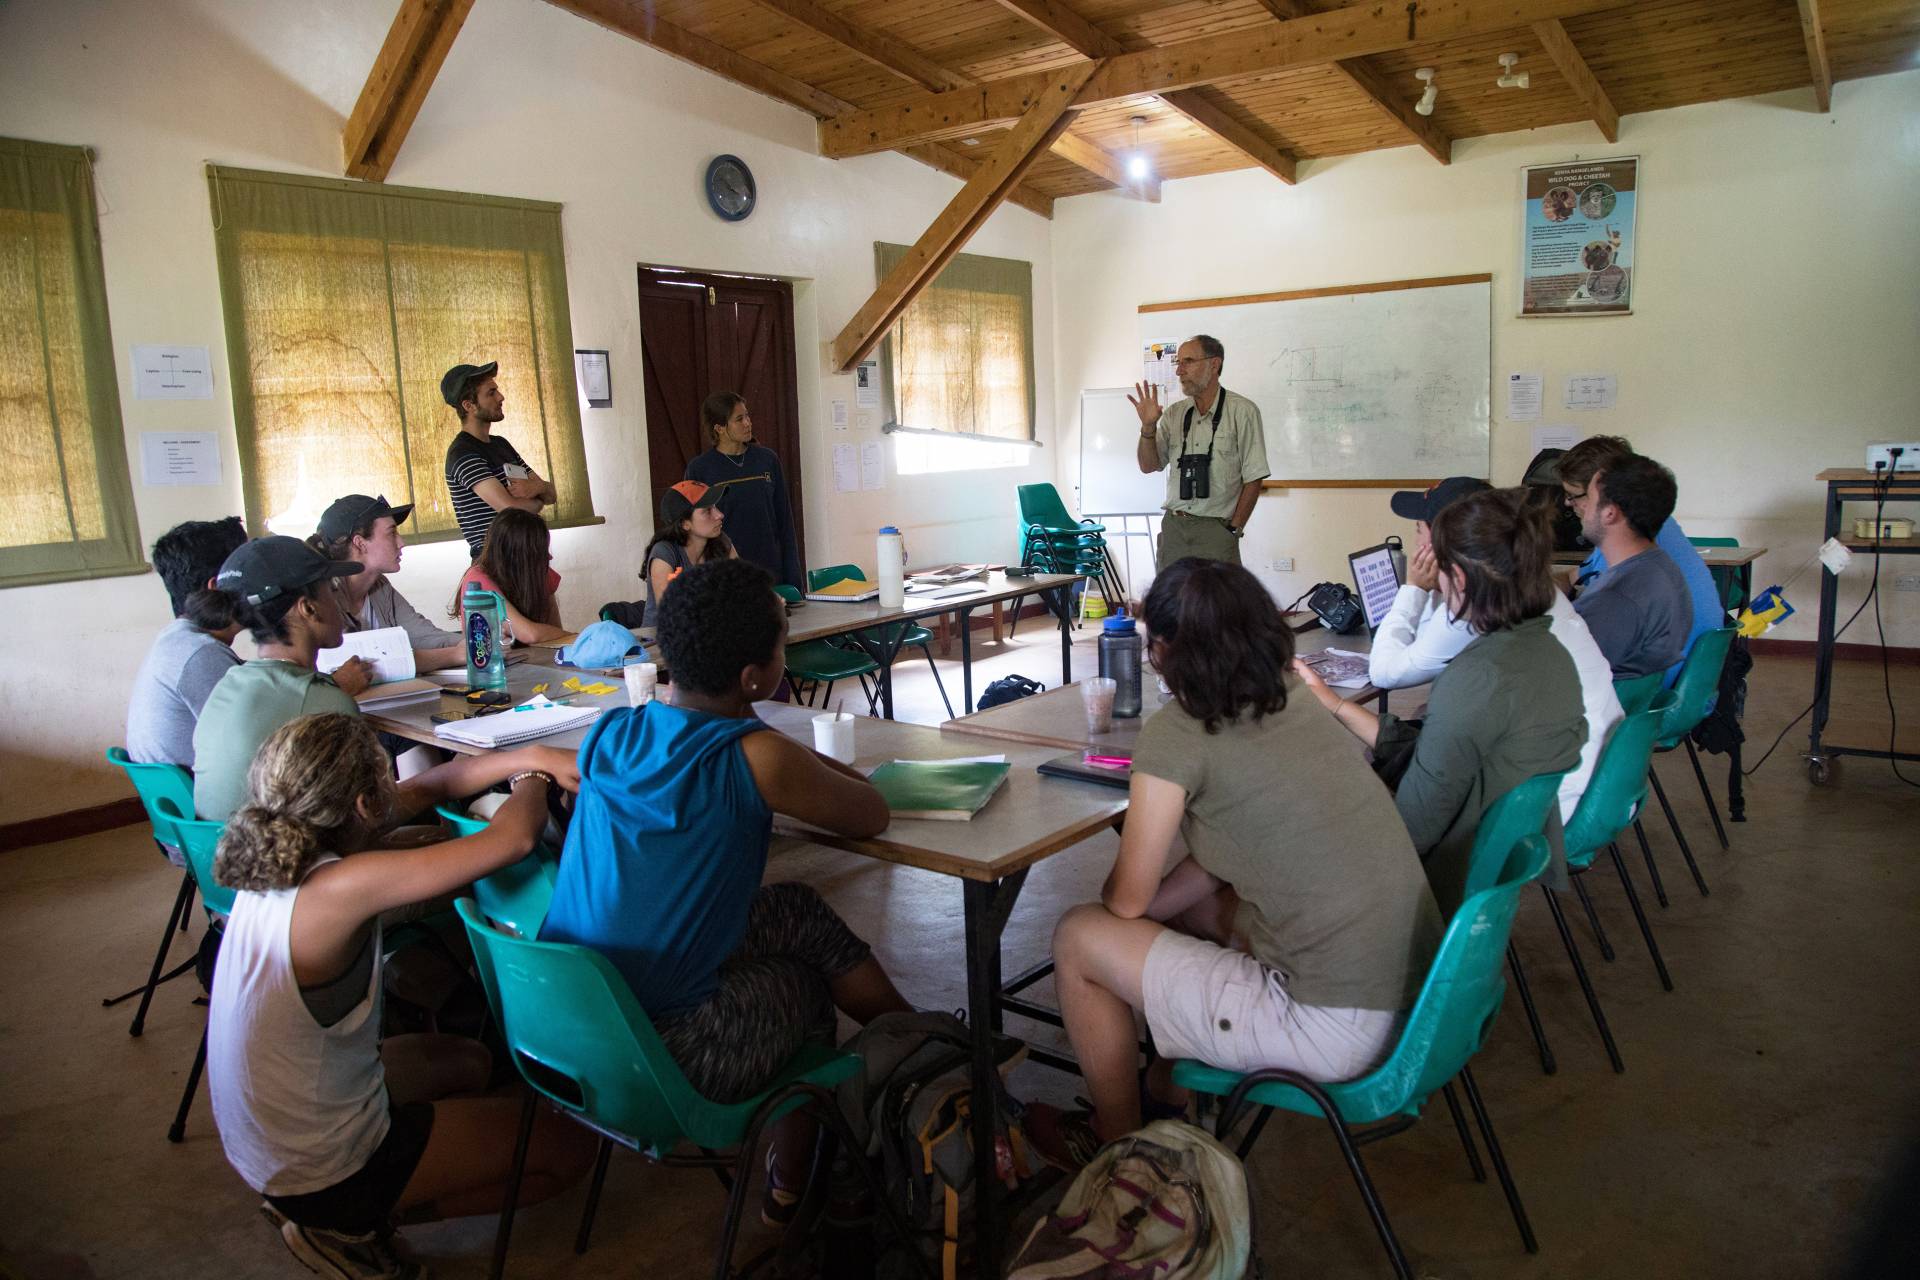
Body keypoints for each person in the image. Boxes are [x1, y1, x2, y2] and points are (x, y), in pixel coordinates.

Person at [1024, 558, 1444, 1169]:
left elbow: (1127, 902)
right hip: (1418, 996)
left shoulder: (1180, 734)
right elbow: (1230, 849)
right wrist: (1150, 914)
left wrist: (1123, 905)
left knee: (1080, 937)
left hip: (1334, 1029)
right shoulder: (1295, 697)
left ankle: (1121, 1162)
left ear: (1163, 652)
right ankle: (1166, 1095)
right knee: (1187, 909)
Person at [540, 557, 911, 1216]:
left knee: (795, 910)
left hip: (573, 1023)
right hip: (667, 1054)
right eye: (779, 645)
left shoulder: (615, 730)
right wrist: (763, 734)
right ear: (754, 677)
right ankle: (793, 1187)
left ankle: (915, 1038)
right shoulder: (755, 756)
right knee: (804, 993)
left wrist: (753, 727)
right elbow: (872, 812)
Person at [208, 713, 595, 1279]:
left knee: (468, 1061)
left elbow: (435, 785)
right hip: (318, 1168)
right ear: (365, 806)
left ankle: (338, 1207)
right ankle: (353, 1228)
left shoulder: (282, 853)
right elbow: (512, 840)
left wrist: (530, 752)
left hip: (269, 1142)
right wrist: (531, 779)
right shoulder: (339, 887)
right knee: (567, 1154)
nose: (396, 788)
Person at [1296, 489, 1587, 913]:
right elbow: (1442, 755)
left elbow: (1414, 826)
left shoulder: (1477, 677)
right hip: (1491, 864)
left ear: (1461, 580)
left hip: (1437, 880)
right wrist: (1334, 703)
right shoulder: (1547, 653)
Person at [1370, 479, 1622, 826]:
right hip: (1591, 782)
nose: (1415, 542)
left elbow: (1385, 673)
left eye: (1418, 530)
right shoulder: (1523, 589)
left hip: (1542, 811)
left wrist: (1414, 588)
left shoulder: (1478, 611)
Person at [193, 537, 372, 821]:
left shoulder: (229, 683)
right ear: (308, 609)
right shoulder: (323, 701)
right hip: (281, 861)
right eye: (330, 589)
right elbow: (365, 815)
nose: (338, 601)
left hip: (219, 857)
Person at [1554, 435, 1720, 685]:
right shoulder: (1642, 541)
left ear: (1609, 504)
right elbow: (1574, 577)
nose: (1570, 505)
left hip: (1651, 689)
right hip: (1669, 686)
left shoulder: (1625, 575)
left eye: (1576, 495)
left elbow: (1566, 670)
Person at [1129, 335, 1270, 568]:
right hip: (1174, 529)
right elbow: (1148, 466)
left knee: (1218, 603)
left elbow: (1254, 477)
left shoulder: (1242, 411)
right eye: (1178, 363)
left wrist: (1234, 529)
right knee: (1171, 602)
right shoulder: (1174, 414)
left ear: (1214, 365)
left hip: (1217, 531)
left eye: (1188, 362)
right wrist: (1148, 428)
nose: (1179, 372)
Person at [127, 516, 249, 772]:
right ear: (218, 587)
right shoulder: (200, 654)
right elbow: (261, 737)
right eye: (248, 573)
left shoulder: (177, 640)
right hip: (213, 803)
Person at [1565, 453, 1692, 679]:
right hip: (1631, 704)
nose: (1572, 504)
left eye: (1590, 500)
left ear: (1609, 513)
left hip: (1598, 708)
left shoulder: (1616, 599)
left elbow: (1560, 672)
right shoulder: (1660, 567)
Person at [309, 494, 462, 673]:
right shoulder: (324, 595)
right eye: (392, 533)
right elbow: (363, 663)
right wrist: (454, 655)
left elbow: (425, 636)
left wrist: (482, 642)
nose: (401, 542)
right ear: (360, 543)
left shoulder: (380, 587)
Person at [684, 392, 801, 589]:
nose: (748, 423)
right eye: (739, 419)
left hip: (769, 567)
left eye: (747, 416)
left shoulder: (767, 460)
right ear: (719, 428)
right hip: (725, 572)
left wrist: (794, 576)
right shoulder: (700, 469)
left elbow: (785, 521)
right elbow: (693, 530)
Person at [442, 361, 555, 558]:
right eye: (491, 393)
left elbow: (551, 495)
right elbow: (509, 508)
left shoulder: (501, 444)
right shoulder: (463, 453)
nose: (500, 397)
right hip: (496, 561)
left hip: (525, 556)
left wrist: (538, 489)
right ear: (469, 406)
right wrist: (537, 501)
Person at [451, 508, 567, 645]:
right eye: (540, 551)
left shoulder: (540, 572)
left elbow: (556, 632)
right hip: (495, 662)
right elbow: (529, 634)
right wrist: (578, 637)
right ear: (518, 555)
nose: (549, 557)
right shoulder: (477, 581)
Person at [641, 480, 737, 619]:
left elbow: (744, 584)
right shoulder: (665, 553)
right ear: (685, 524)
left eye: (715, 507)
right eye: (707, 511)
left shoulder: (721, 542)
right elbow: (671, 614)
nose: (719, 515)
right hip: (663, 637)